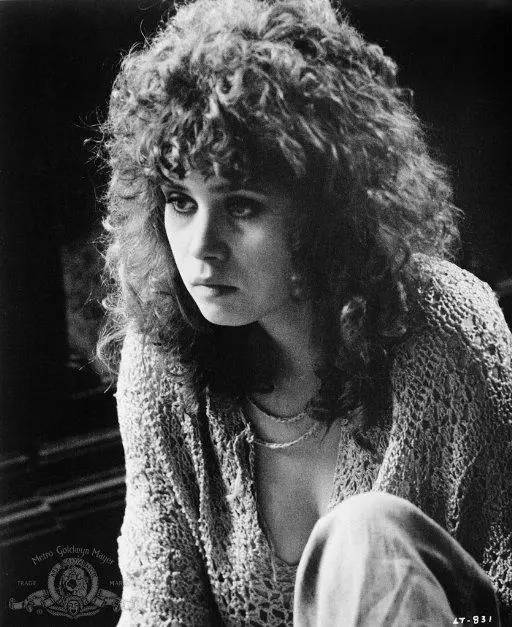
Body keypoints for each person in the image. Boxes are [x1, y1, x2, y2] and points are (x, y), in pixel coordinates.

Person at [98, 0, 512, 624]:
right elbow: (159, 607)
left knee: (366, 533)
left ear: (327, 209)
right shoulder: (161, 367)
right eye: (181, 202)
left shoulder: (450, 336)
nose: (201, 248)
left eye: (241, 206)